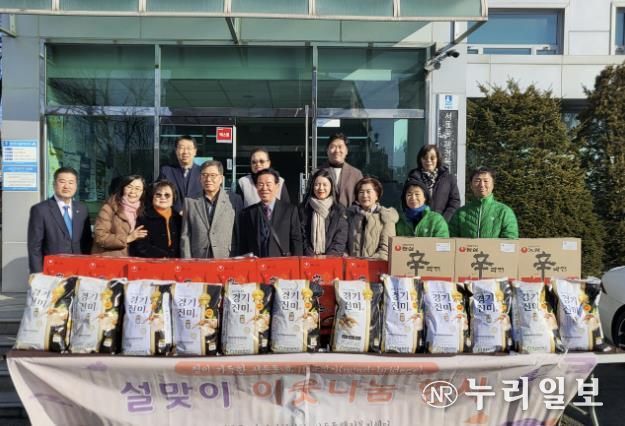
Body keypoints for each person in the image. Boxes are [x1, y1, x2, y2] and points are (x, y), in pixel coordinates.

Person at [27, 167, 93, 273]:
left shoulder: (82, 209)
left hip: (79, 268)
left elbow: (87, 241)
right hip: (52, 269)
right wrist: (37, 274)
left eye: (71, 182)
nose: (66, 186)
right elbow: (35, 247)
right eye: (62, 182)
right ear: (54, 184)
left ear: (76, 185)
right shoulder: (40, 210)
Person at [180, 160, 242, 258]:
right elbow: (186, 235)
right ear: (200, 178)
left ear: (221, 178)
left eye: (213, 175)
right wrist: (187, 260)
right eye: (204, 175)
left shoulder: (234, 200)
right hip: (198, 257)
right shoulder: (190, 201)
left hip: (226, 257)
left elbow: (239, 233)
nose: (208, 179)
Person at [239, 168, 303, 257]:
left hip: (281, 263)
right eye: (260, 184)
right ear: (256, 187)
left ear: (277, 186)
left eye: (268, 184)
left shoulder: (290, 211)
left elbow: (296, 241)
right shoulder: (248, 213)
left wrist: (295, 262)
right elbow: (244, 244)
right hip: (257, 263)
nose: (264, 188)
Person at [449, 167, 519, 239]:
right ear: (471, 185)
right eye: (477, 181)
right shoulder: (460, 213)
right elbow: (452, 240)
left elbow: (510, 239)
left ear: (493, 185)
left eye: (486, 181)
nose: (482, 185)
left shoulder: (504, 212)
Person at [92, 175, 148, 256]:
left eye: (137, 189)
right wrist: (127, 238)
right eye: (129, 187)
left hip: (134, 259)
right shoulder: (109, 208)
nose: (133, 191)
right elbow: (100, 237)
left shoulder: (143, 211)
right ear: (123, 188)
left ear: (142, 192)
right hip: (111, 259)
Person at [346, 177, 398, 260]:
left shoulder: (386, 216)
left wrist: (367, 263)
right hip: (351, 265)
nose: (364, 195)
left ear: (377, 195)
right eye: (361, 192)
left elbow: (386, 249)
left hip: (375, 265)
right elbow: (343, 244)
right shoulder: (349, 215)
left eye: (368, 191)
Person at [298, 169, 347, 256]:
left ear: (331, 186)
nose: (321, 188)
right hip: (309, 259)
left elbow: (340, 240)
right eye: (317, 184)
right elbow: (302, 237)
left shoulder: (339, 210)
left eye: (325, 185)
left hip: (332, 260)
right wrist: (312, 256)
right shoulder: (303, 209)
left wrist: (326, 259)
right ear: (312, 187)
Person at [407, 144, 461, 221]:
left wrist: (443, 220)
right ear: (420, 159)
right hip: (418, 223)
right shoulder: (413, 178)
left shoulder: (449, 178)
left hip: (442, 223)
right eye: (425, 158)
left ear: (437, 159)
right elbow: (405, 200)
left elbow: (455, 201)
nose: (428, 161)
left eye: (432, 158)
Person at [129, 180, 182, 258]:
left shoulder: (179, 219)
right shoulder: (143, 217)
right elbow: (141, 246)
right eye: (158, 195)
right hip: (151, 262)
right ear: (152, 197)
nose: (163, 197)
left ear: (173, 198)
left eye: (167, 195)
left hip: (177, 263)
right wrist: (163, 256)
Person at [157, 135, 202, 214]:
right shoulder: (166, 171)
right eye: (181, 148)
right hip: (172, 217)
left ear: (195, 151)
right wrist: (177, 210)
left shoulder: (203, 172)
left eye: (189, 148)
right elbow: (159, 194)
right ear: (176, 151)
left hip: (197, 217)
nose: (185, 152)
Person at [318, 133, 363, 208]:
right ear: (327, 150)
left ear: (346, 151)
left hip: (349, 214)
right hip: (323, 214)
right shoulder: (317, 172)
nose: (337, 150)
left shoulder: (356, 174)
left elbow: (361, 199)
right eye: (333, 147)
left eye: (340, 147)